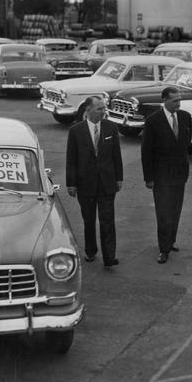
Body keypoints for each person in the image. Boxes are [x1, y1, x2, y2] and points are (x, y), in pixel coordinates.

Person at [66, 96, 123, 267]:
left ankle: (109, 257)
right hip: (85, 184)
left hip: (107, 182)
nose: (103, 112)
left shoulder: (111, 127)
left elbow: (116, 156)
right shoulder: (76, 131)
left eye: (104, 108)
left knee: (107, 220)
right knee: (89, 220)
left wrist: (119, 178)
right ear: (88, 110)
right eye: (99, 109)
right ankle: (90, 251)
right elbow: (71, 159)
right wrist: (71, 183)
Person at [141, 86, 192, 264]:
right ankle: (163, 249)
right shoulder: (153, 121)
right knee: (163, 213)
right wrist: (149, 178)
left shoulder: (185, 117)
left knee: (176, 211)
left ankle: (171, 241)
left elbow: (186, 143)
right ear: (165, 101)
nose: (179, 103)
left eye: (179, 100)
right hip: (161, 176)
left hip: (179, 174)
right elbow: (146, 151)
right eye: (175, 100)